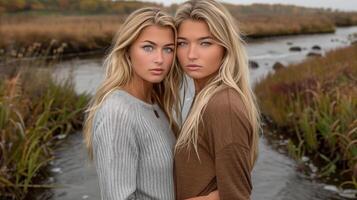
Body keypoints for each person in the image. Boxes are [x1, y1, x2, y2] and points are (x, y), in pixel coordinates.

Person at [82, 7, 183, 200]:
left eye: (168, 49)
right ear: (128, 51)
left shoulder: (154, 102)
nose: (160, 59)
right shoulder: (117, 113)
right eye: (148, 47)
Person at [174, 1, 261, 200]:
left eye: (205, 43)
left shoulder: (223, 107)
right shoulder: (204, 96)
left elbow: (236, 196)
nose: (191, 55)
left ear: (225, 47)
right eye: (182, 43)